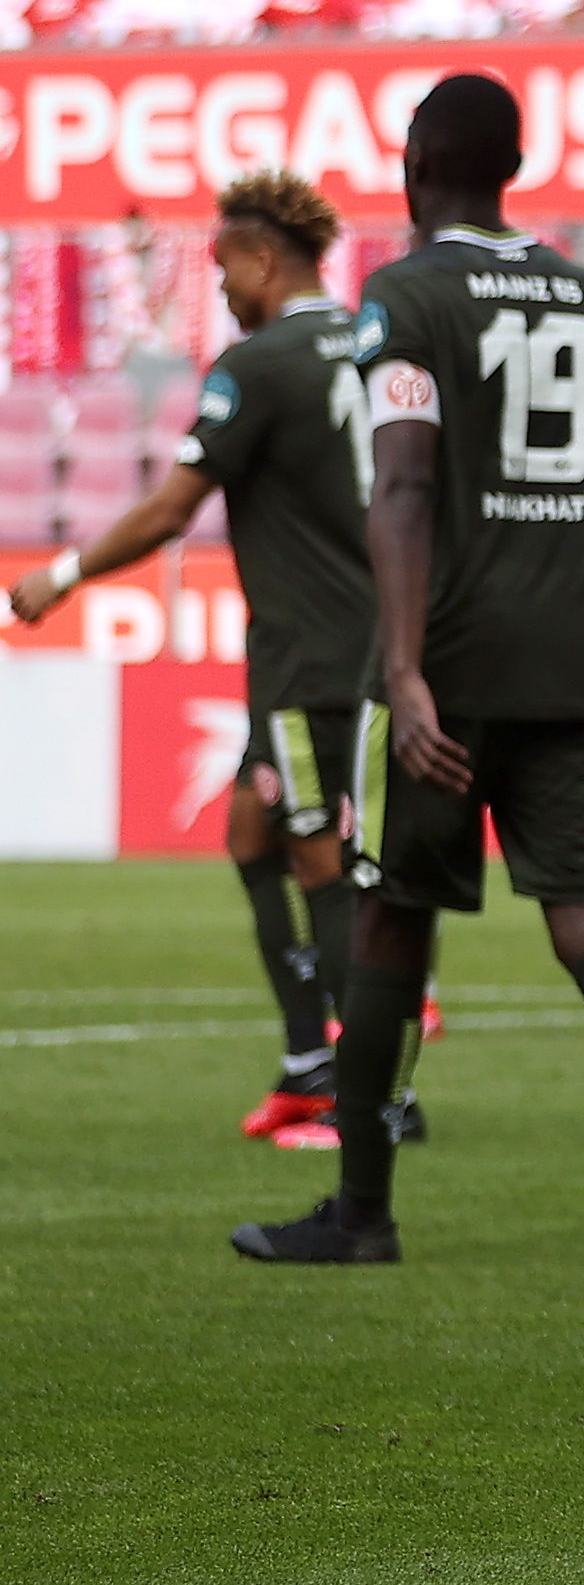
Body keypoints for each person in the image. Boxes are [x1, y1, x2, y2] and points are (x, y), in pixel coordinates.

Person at [232, 73, 584, 1276]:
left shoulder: (405, 296)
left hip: (438, 671)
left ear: (415, 166)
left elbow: (401, 480)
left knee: (392, 916)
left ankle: (362, 1211)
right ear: (511, 169)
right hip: (568, 667)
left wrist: (401, 668)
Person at [12, 172, 378, 1142]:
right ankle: (309, 1060)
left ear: (262, 260)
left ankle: (371, 1090)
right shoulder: (375, 344)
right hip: (367, 638)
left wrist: (64, 574)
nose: (218, 287)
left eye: (222, 269)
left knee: (317, 853)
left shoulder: (258, 364)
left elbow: (174, 507)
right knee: (252, 829)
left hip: (308, 650)